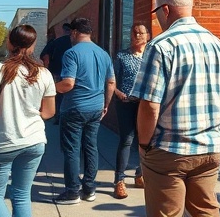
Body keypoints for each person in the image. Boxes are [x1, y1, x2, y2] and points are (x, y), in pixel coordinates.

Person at [130, 0, 220, 217]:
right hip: (209, 148)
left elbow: (149, 105)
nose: (156, 18)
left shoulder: (160, 46)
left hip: (169, 150)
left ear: (165, 10)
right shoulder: (219, 45)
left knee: (166, 213)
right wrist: (216, 131)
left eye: (156, 12)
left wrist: (144, 145)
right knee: (206, 211)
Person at [0, 25, 56, 217]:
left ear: (9, 43)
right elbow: (49, 112)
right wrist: (30, 114)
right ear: (33, 46)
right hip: (34, 141)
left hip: (2, 143)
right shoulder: (44, 74)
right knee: (21, 195)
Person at [54, 17, 116, 204]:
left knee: (72, 149)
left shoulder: (71, 53)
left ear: (74, 32)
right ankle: (89, 190)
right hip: (96, 107)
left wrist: (49, 87)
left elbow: (68, 84)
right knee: (90, 148)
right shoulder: (103, 54)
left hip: (74, 107)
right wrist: (106, 105)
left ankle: (72, 191)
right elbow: (111, 82)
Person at [112, 22, 150, 199]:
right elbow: (111, 80)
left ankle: (140, 174)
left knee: (145, 140)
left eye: (141, 33)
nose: (137, 36)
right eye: (134, 33)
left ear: (147, 36)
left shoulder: (151, 56)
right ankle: (119, 180)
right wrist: (118, 94)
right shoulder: (121, 56)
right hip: (125, 102)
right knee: (127, 140)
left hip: (144, 104)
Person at [39, 22, 73, 120]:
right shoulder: (74, 42)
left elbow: (44, 55)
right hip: (71, 72)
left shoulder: (55, 42)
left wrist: (47, 66)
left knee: (56, 93)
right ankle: (66, 114)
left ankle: (57, 115)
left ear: (63, 30)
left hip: (56, 70)